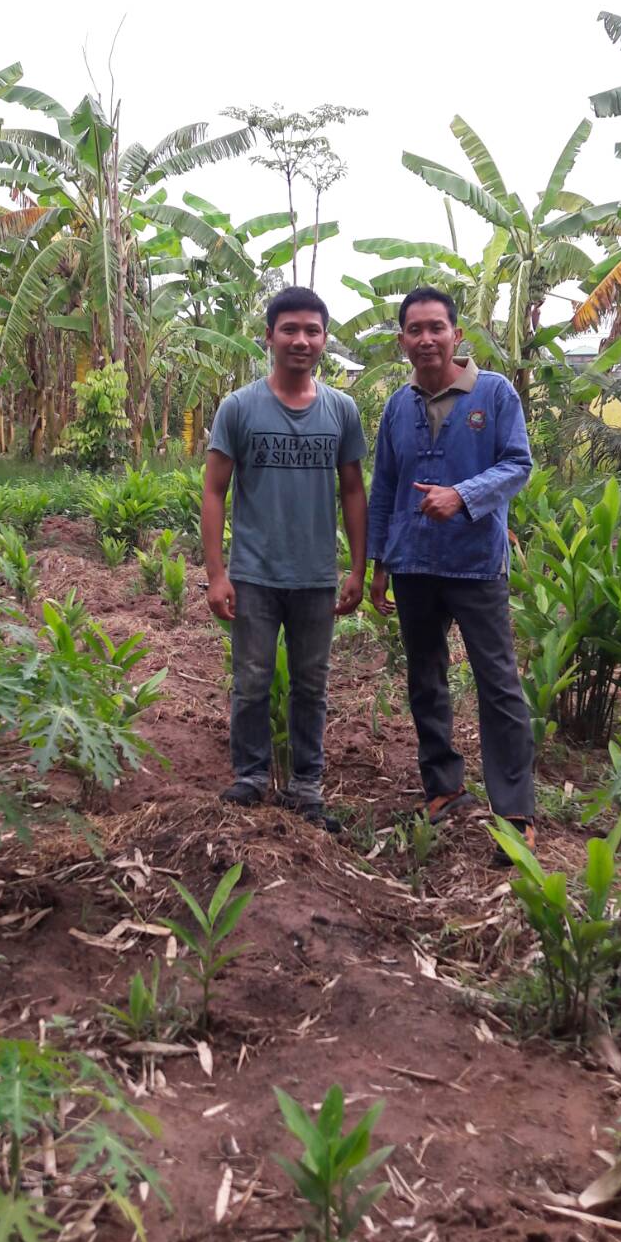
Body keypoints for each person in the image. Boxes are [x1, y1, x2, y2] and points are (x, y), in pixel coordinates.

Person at [367, 285, 535, 850]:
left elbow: (518, 464)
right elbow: (385, 486)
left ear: (456, 334)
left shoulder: (495, 393)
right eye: (414, 330)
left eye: (436, 327)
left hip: (476, 563)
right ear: (402, 341)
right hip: (412, 564)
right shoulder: (398, 406)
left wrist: (462, 495)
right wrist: (378, 561)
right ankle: (443, 787)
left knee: (498, 682)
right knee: (425, 677)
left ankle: (514, 810)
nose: (426, 338)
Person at [202, 286, 368, 829]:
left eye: (312, 331)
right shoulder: (239, 407)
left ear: (324, 339)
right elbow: (214, 491)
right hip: (254, 574)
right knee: (251, 680)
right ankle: (251, 777)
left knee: (311, 685)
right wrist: (216, 573)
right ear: (269, 336)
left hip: (316, 576)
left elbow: (352, 491)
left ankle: (305, 786)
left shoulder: (341, 410)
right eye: (290, 329)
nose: (301, 340)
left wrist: (358, 567)